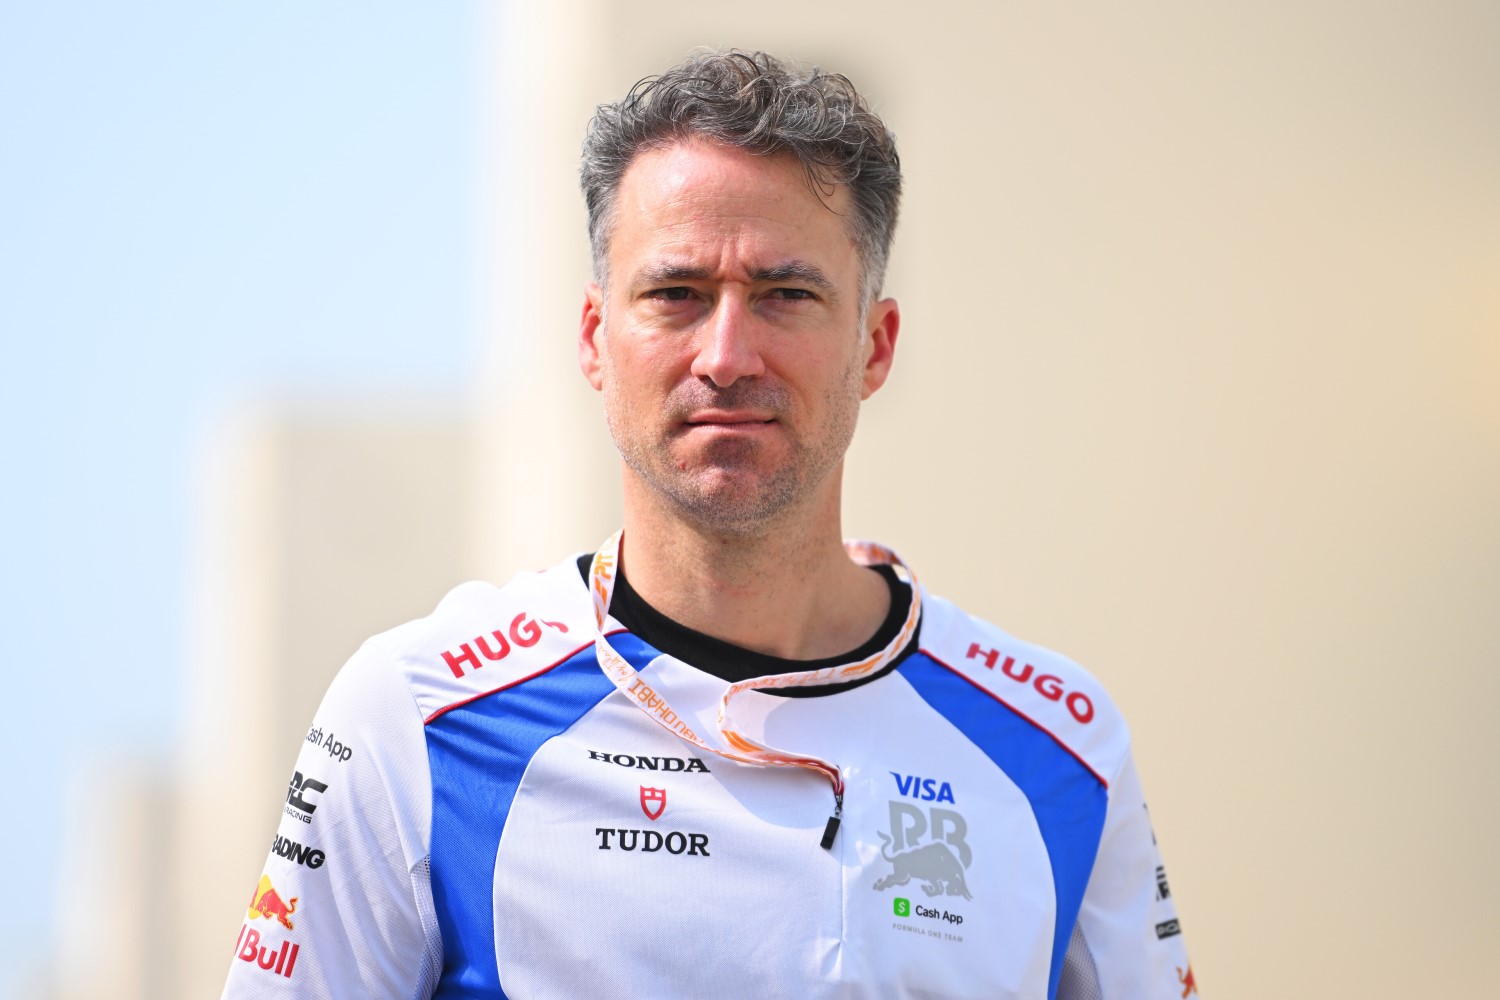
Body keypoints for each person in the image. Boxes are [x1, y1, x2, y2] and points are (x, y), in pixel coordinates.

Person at [222, 49, 1194, 1000]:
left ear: (875, 344)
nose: (727, 355)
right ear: (596, 339)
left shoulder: (1062, 751)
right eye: (678, 294)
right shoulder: (413, 719)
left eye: (786, 295)